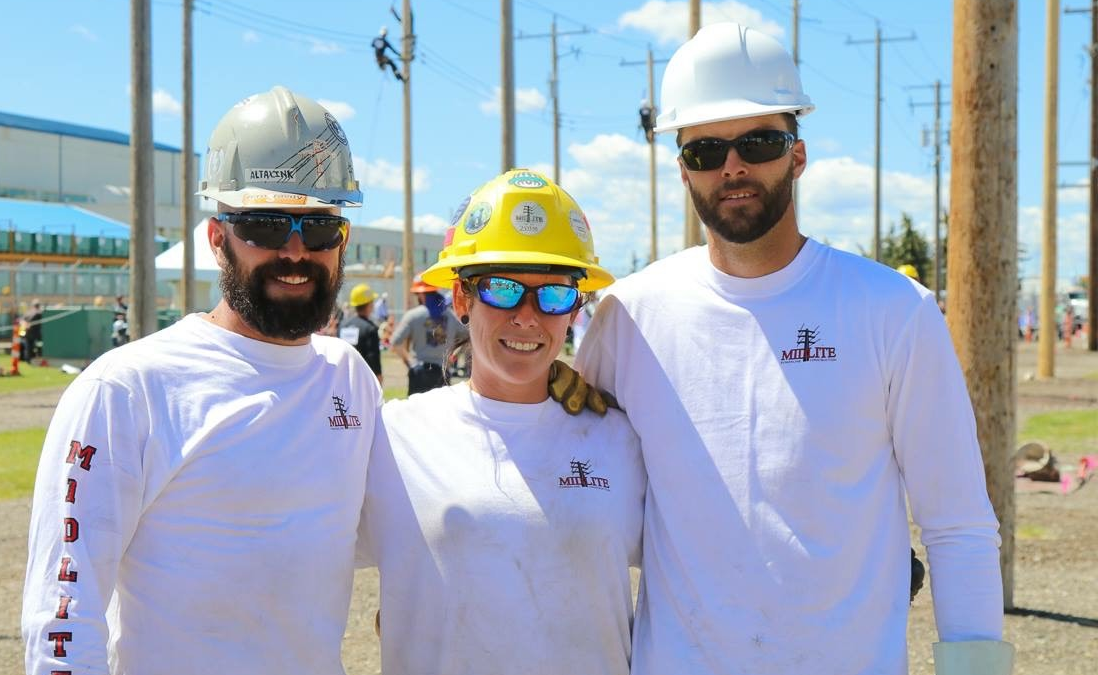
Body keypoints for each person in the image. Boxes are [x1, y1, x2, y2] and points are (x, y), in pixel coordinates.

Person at [575, 23, 1012, 675]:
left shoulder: (892, 311)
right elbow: (584, 501)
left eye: (759, 142)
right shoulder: (628, 318)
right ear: (683, 169)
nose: (733, 167)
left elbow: (958, 523)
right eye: (706, 150)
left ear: (797, 155)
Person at [22, 86, 380, 675]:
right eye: (266, 227)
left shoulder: (350, 379)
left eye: (319, 229)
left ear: (341, 242)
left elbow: (381, 534)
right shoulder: (129, 387)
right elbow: (64, 609)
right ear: (217, 239)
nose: (296, 252)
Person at [359, 169, 644, 674]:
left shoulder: (621, 441)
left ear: (575, 308)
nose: (528, 316)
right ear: (462, 299)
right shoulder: (391, 438)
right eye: (503, 289)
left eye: (554, 294)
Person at [390, 276, 465, 395]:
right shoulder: (450, 315)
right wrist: (453, 357)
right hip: (442, 372)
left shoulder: (413, 315)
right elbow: (468, 337)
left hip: (419, 372)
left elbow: (395, 341)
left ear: (421, 294)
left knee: (417, 407)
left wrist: (409, 361)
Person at [340, 282, 383, 382]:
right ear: (369, 304)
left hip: (343, 375)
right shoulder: (370, 328)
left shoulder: (343, 325)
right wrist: (378, 375)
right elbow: (372, 356)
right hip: (363, 378)